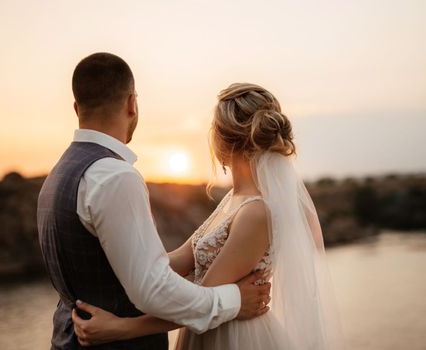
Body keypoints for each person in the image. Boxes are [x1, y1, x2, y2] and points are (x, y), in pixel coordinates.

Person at [71, 83, 345, 349]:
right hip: (209, 329)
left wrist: (119, 329)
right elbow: (179, 260)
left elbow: (202, 296)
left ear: (222, 139)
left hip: (236, 338)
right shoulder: (233, 200)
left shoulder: (256, 212)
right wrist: (119, 262)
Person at [37, 53, 271, 350]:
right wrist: (235, 300)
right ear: (132, 103)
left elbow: (145, 265)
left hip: (67, 339)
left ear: (76, 107)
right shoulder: (115, 176)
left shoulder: (59, 174)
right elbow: (153, 288)